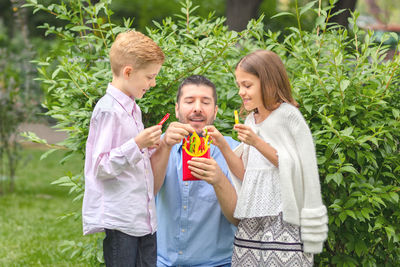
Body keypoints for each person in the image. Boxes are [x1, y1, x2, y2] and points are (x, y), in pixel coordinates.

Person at [200, 50, 328, 266]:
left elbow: (299, 167)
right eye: (239, 85)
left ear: (267, 82)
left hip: (283, 216)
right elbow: (245, 174)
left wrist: (257, 142)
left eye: (247, 85)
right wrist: (222, 143)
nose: (241, 91)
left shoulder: (288, 116)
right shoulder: (251, 119)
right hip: (253, 216)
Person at [82, 30, 165, 267]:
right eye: (150, 77)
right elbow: (101, 166)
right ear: (128, 72)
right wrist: (138, 144)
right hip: (123, 221)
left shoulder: (132, 108)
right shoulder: (109, 110)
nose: (153, 83)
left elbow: (131, 158)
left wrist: (149, 146)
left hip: (144, 219)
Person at [150, 75, 239, 267]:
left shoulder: (234, 152)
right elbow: (147, 194)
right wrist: (164, 146)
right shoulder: (156, 145)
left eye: (205, 102)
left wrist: (219, 180)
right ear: (177, 109)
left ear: (215, 112)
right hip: (163, 262)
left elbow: (238, 218)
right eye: (189, 101)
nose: (197, 108)